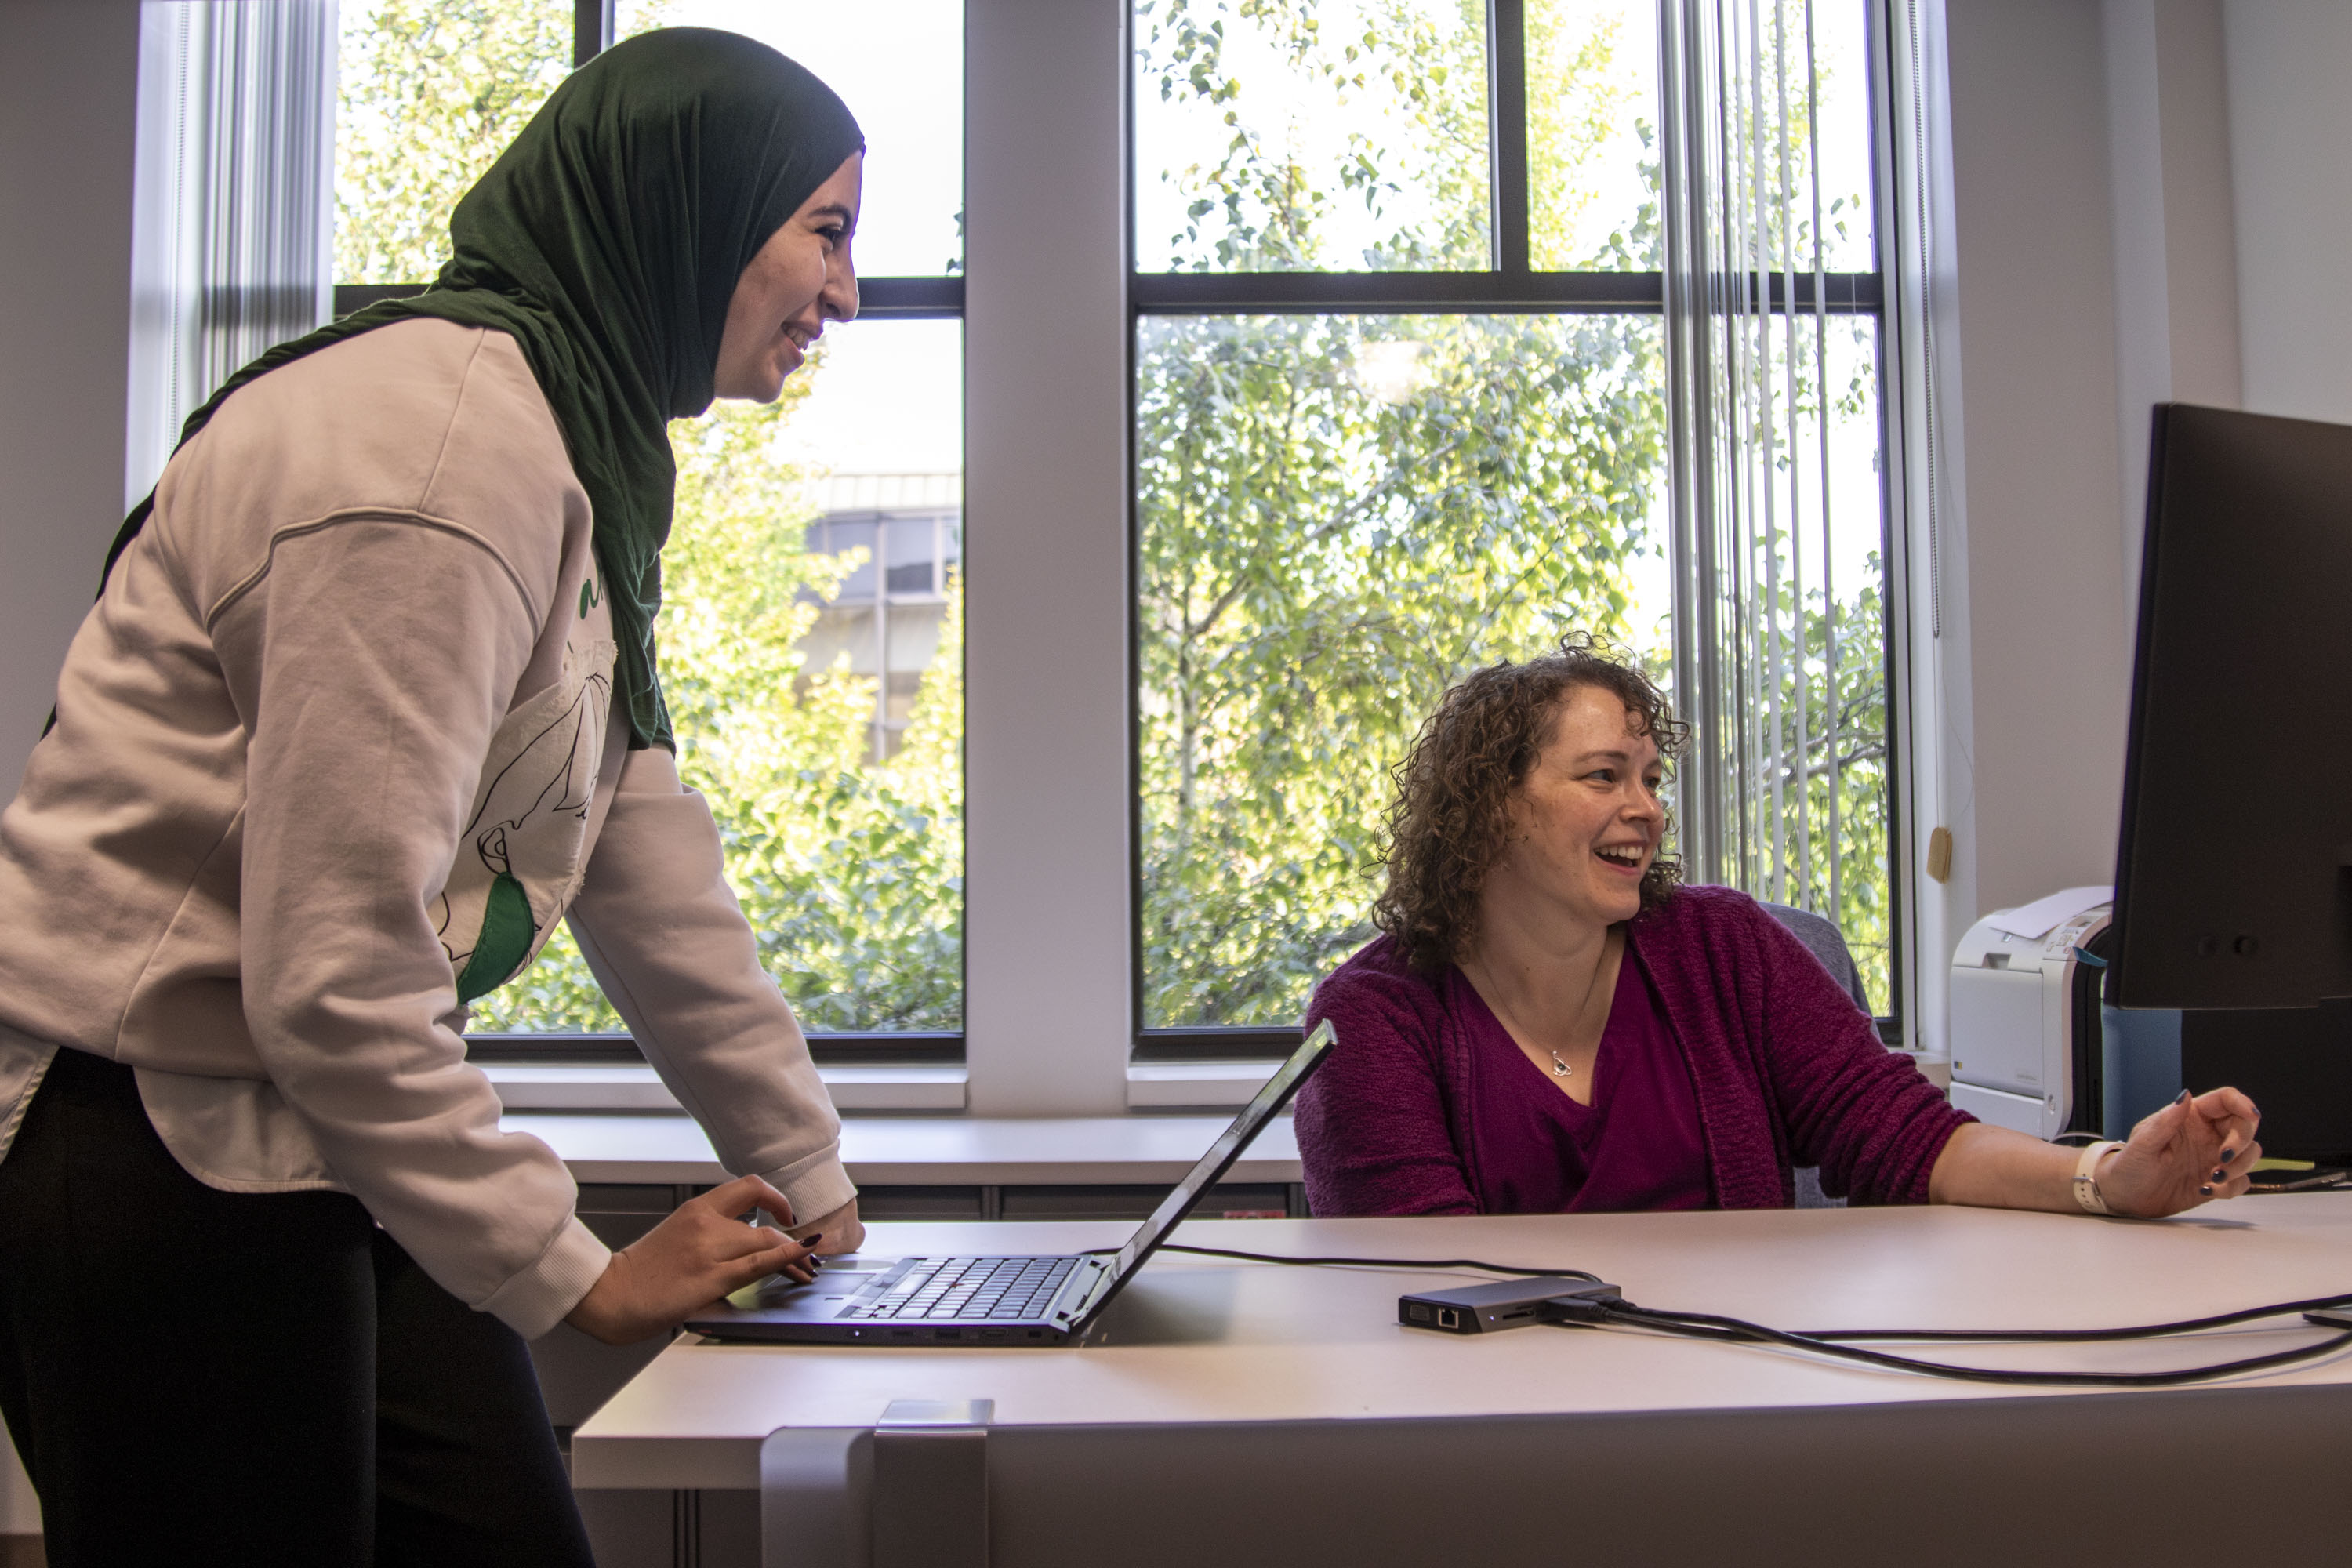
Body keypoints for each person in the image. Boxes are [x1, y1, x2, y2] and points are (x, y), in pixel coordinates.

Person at [0, 30, 873, 1566]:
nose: (846, 294)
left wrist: (821, 1197)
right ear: (691, 201)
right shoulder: (437, 459)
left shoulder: (572, 451)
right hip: (134, 1127)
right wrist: (578, 1272)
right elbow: (333, 975)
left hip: (320, 1122)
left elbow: (644, 868)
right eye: (827, 229)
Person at [1294, 635, 2262, 1221]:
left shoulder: (1726, 948)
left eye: (1651, 779)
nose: (1646, 808)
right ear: (1489, 809)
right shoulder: (1373, 1018)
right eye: (1604, 777)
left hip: (1738, 1395)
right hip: (1505, 1437)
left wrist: (2111, 1177)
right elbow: (1411, 1272)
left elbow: (1909, 1140)